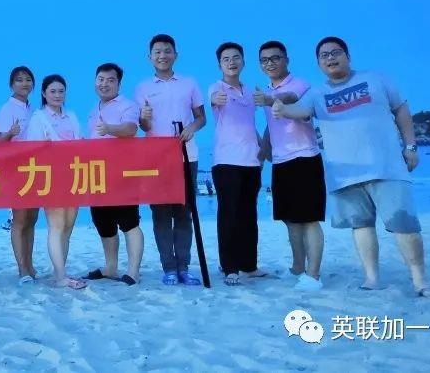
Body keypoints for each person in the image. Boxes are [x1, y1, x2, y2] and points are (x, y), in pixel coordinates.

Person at [273, 37, 430, 297]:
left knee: (404, 224)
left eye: (335, 52)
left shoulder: (376, 79)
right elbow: (298, 110)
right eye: (324, 55)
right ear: (319, 63)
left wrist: (410, 147)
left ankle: (421, 281)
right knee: (361, 226)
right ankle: (371, 278)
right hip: (345, 175)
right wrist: (280, 107)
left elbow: (401, 110)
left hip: (386, 167)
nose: (330, 58)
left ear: (348, 56)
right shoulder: (317, 94)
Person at [135, 34, 207, 286]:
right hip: (156, 157)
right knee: (161, 214)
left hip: (187, 155)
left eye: (167, 51)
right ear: (149, 57)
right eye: (157, 52)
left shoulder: (189, 83)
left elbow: (201, 117)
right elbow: (143, 126)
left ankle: (184, 266)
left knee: (184, 213)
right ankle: (168, 268)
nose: (162, 55)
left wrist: (191, 128)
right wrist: (144, 118)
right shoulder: (143, 87)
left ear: (175, 54)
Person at [253, 41, 326, 291]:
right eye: (264, 60)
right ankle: (297, 267)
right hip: (281, 162)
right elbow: (271, 125)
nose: (270, 63)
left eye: (275, 58)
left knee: (309, 219)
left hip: (305, 158)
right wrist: (263, 151)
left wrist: (269, 99)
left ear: (286, 59)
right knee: (290, 219)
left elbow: (290, 98)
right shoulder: (267, 90)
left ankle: (313, 275)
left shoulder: (299, 84)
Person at [208, 44, 268, 286]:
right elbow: (213, 100)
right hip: (226, 161)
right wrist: (215, 99)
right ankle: (230, 267)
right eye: (226, 59)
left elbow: (248, 124)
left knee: (249, 214)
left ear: (243, 61)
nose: (231, 62)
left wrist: (262, 149)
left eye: (236, 58)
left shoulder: (250, 92)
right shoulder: (217, 88)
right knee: (228, 215)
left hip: (251, 161)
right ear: (219, 65)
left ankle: (249, 265)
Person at [83, 63, 143, 286]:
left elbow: (131, 129)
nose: (104, 84)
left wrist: (109, 129)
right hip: (98, 173)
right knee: (103, 222)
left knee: (129, 222)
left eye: (110, 80)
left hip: (123, 172)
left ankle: (133, 272)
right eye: (100, 79)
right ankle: (110, 267)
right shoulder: (93, 109)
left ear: (119, 83)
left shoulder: (128, 105)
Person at [26, 74, 85, 290]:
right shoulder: (38, 117)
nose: (57, 95)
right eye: (53, 91)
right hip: (52, 176)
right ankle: (61, 277)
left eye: (61, 91)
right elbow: (33, 148)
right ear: (44, 93)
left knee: (68, 225)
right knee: (57, 225)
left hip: (74, 174)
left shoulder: (72, 116)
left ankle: (60, 271)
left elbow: (81, 142)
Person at [0, 66, 38, 284]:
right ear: (12, 84)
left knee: (31, 219)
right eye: (19, 80)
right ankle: (22, 270)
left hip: (35, 169)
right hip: (16, 170)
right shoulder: (7, 109)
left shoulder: (32, 109)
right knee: (20, 220)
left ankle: (29, 265)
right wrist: (10, 133)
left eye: (28, 79)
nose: (24, 83)